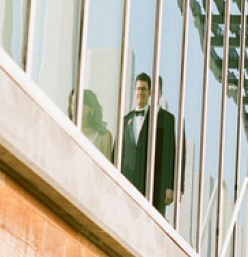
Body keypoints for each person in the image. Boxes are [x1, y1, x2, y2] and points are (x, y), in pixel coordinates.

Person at [121, 73, 176, 216]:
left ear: (150, 92)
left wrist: (169, 185)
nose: (140, 92)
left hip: (149, 183)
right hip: (127, 181)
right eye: (138, 89)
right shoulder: (125, 120)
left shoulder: (157, 120)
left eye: (144, 89)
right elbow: (119, 151)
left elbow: (168, 154)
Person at [68, 88, 113, 158]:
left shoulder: (103, 136)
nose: (74, 107)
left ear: (91, 108)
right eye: (73, 103)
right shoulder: (67, 130)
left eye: (79, 103)